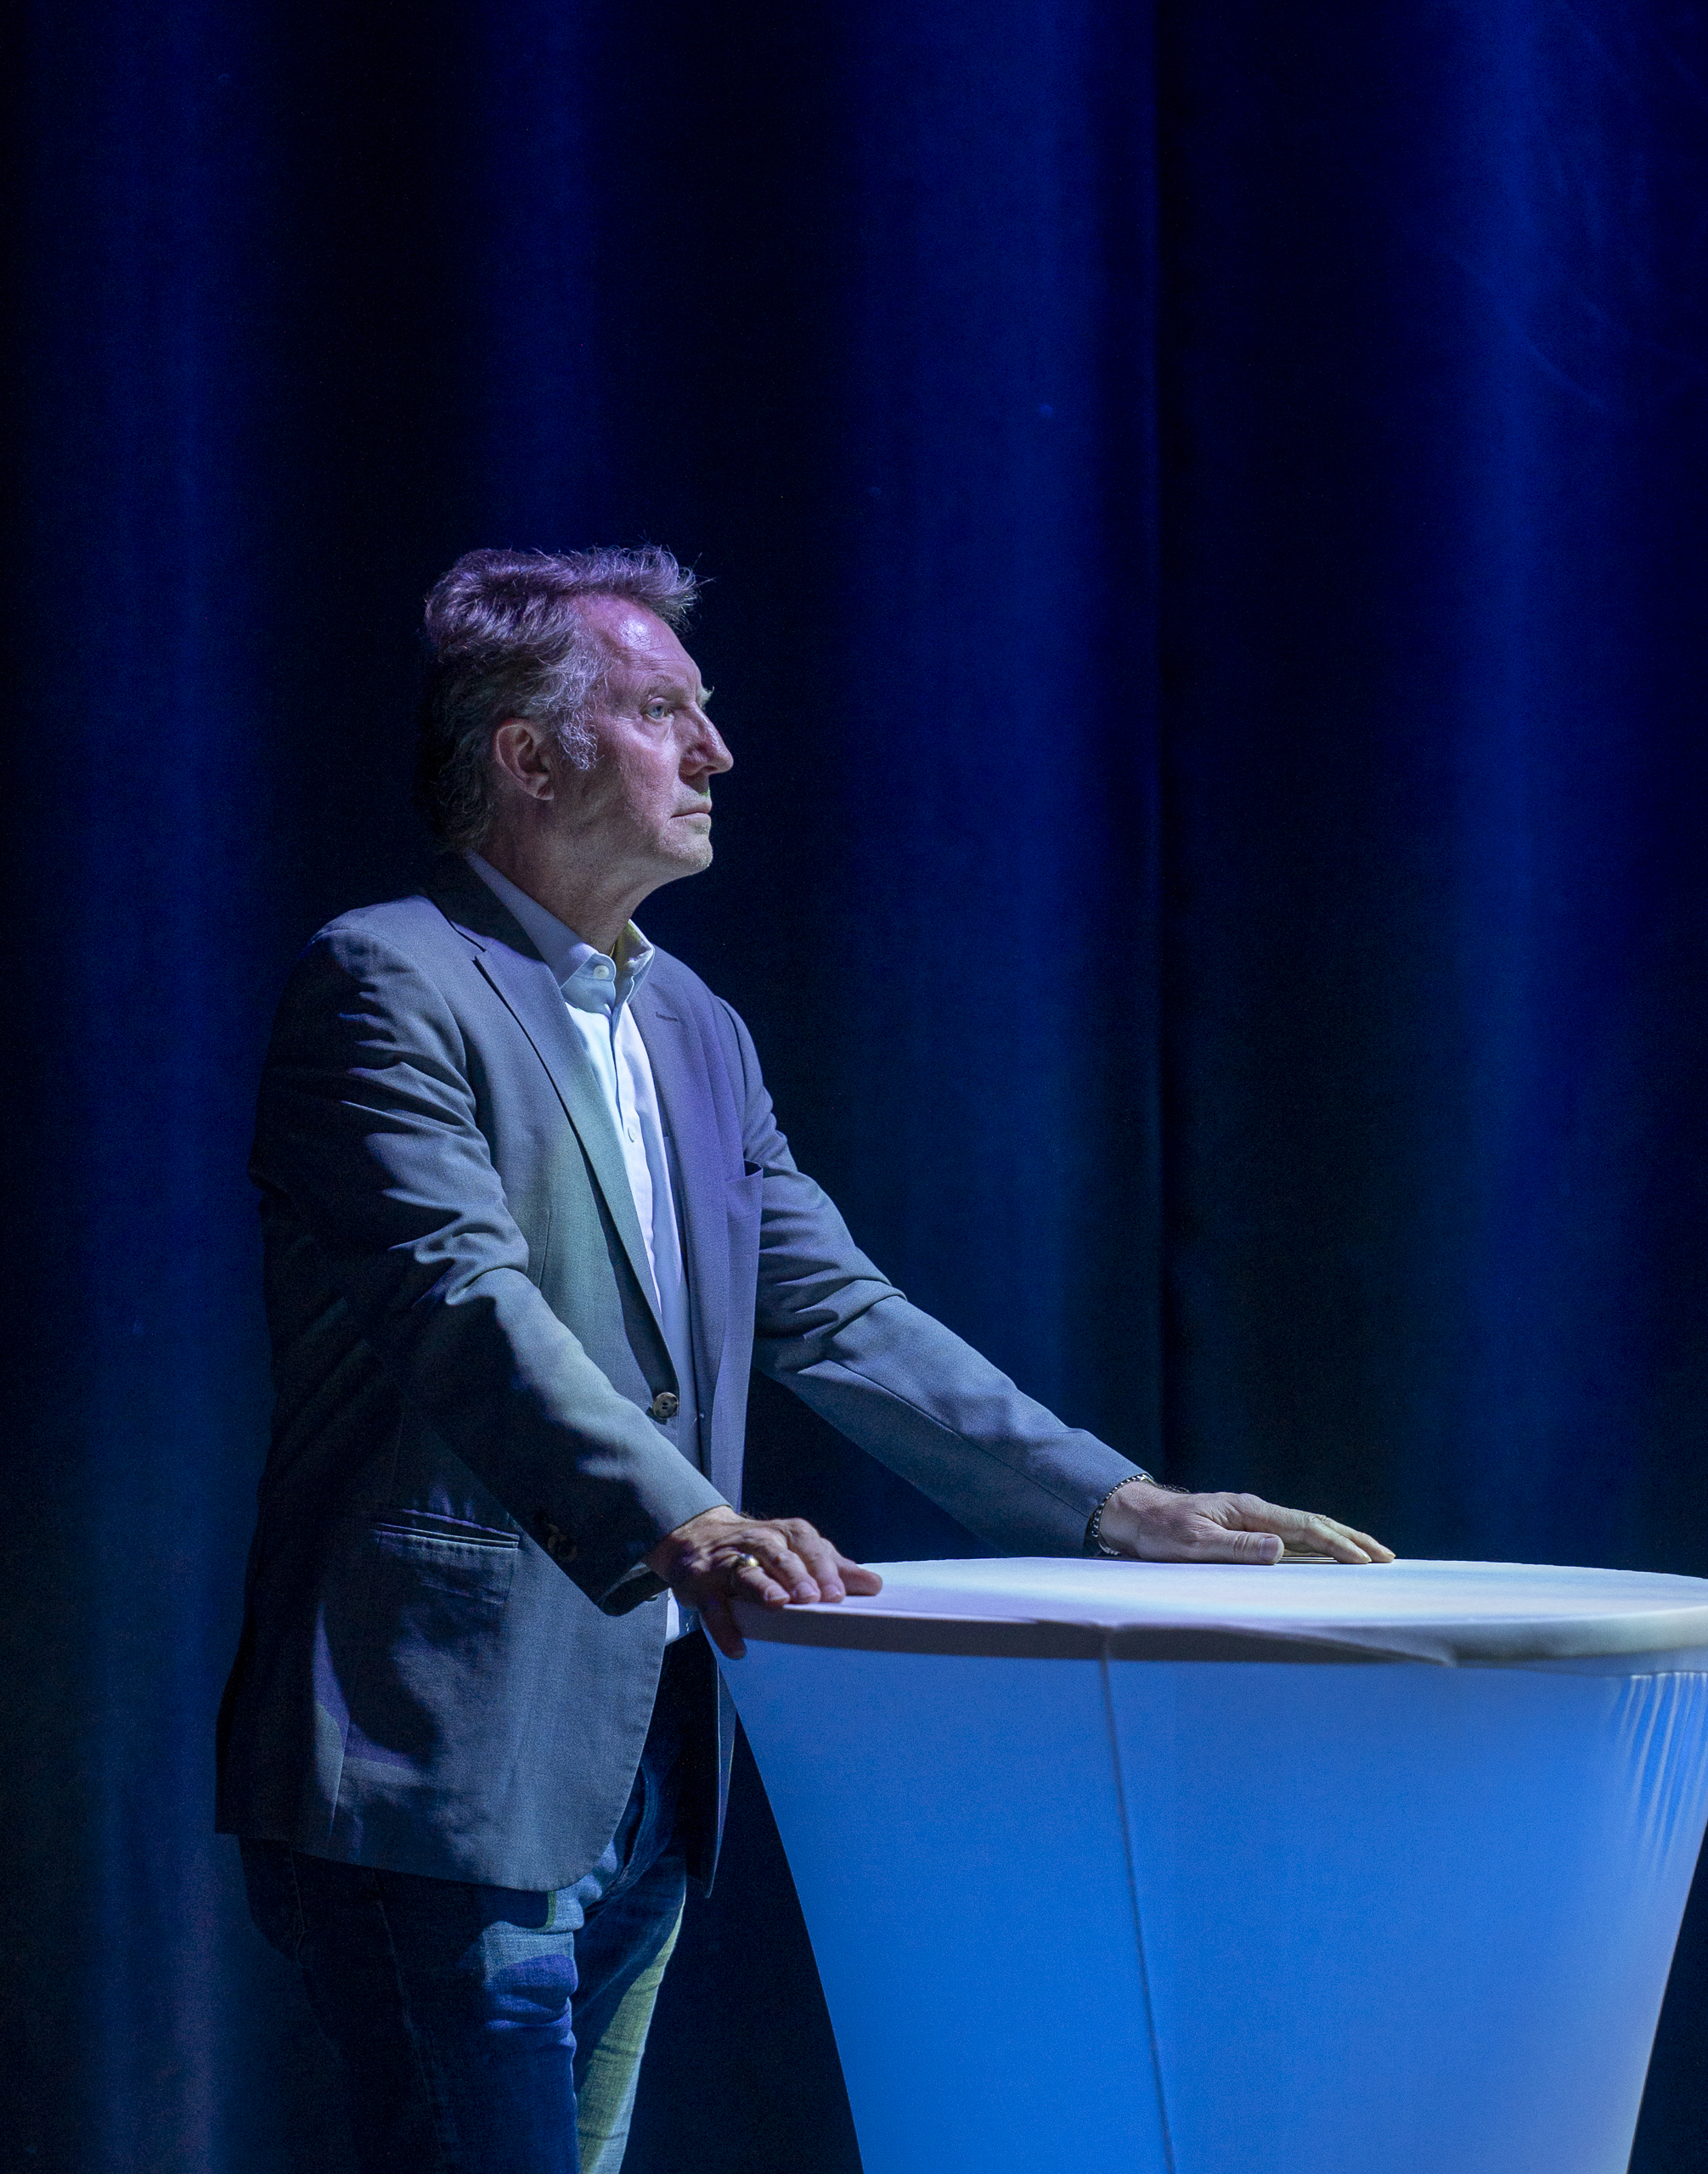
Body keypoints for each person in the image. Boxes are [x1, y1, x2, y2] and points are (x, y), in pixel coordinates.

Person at [217, 546, 1392, 2173]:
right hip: (447, 1749)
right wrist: (684, 1520)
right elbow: (458, 1302)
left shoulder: (695, 1024)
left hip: (644, 1760)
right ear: (529, 754)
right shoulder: (385, 980)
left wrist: (1118, 1506)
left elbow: (839, 1312)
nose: (716, 751)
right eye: (663, 712)